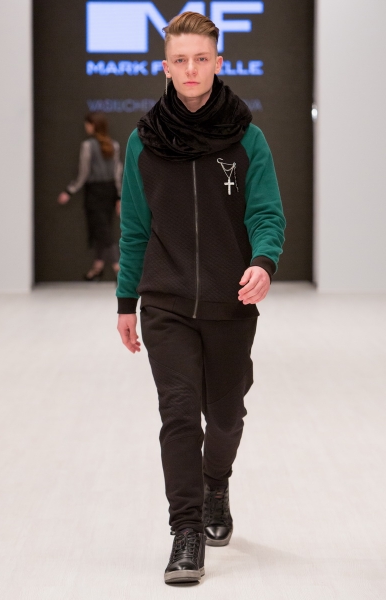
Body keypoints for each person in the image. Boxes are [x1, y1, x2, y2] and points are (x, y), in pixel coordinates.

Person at [116, 12, 286, 585]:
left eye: (201, 58)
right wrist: (126, 301)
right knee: (180, 414)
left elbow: (267, 214)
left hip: (229, 303)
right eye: (180, 60)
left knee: (227, 415)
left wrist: (263, 261)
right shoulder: (143, 142)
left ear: (218, 63)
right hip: (164, 303)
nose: (191, 69)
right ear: (166, 67)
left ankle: (217, 483)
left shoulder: (247, 139)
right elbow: (134, 230)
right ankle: (185, 531)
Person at [57, 112, 123, 280]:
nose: (86, 127)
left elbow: (83, 173)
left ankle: (120, 271)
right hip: (109, 191)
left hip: (95, 192)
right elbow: (117, 173)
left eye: (87, 124)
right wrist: (118, 196)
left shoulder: (88, 146)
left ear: (93, 126)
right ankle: (97, 268)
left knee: (103, 231)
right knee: (102, 229)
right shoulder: (114, 145)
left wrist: (69, 191)